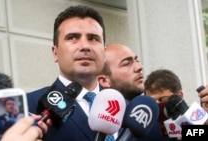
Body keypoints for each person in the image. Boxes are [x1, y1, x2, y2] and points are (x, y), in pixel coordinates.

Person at [27, 5, 106, 141]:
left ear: (104, 52)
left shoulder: (132, 112)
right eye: (73, 37)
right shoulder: (28, 107)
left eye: (93, 38)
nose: (85, 46)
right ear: (55, 52)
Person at [97, 43, 172, 140]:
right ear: (104, 80)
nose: (139, 67)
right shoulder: (83, 117)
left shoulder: (148, 114)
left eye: (137, 60)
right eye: (127, 63)